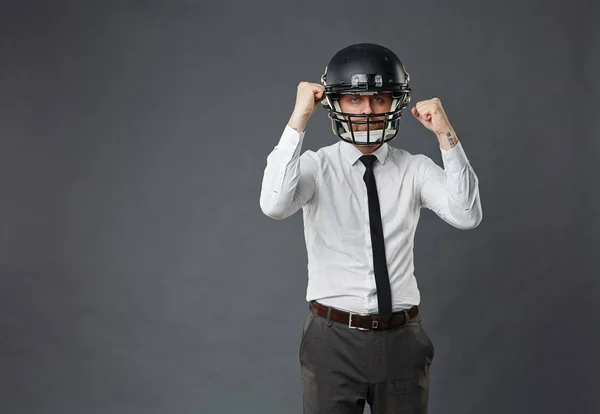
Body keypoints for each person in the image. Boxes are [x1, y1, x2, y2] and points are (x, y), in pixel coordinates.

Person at [259, 43, 483, 413]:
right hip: (331, 340)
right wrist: (298, 118)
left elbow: (467, 213)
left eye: (378, 99)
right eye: (354, 100)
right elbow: (274, 204)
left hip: (402, 339)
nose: (367, 111)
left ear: (395, 102)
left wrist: (446, 133)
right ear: (336, 104)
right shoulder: (316, 167)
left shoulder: (415, 169)